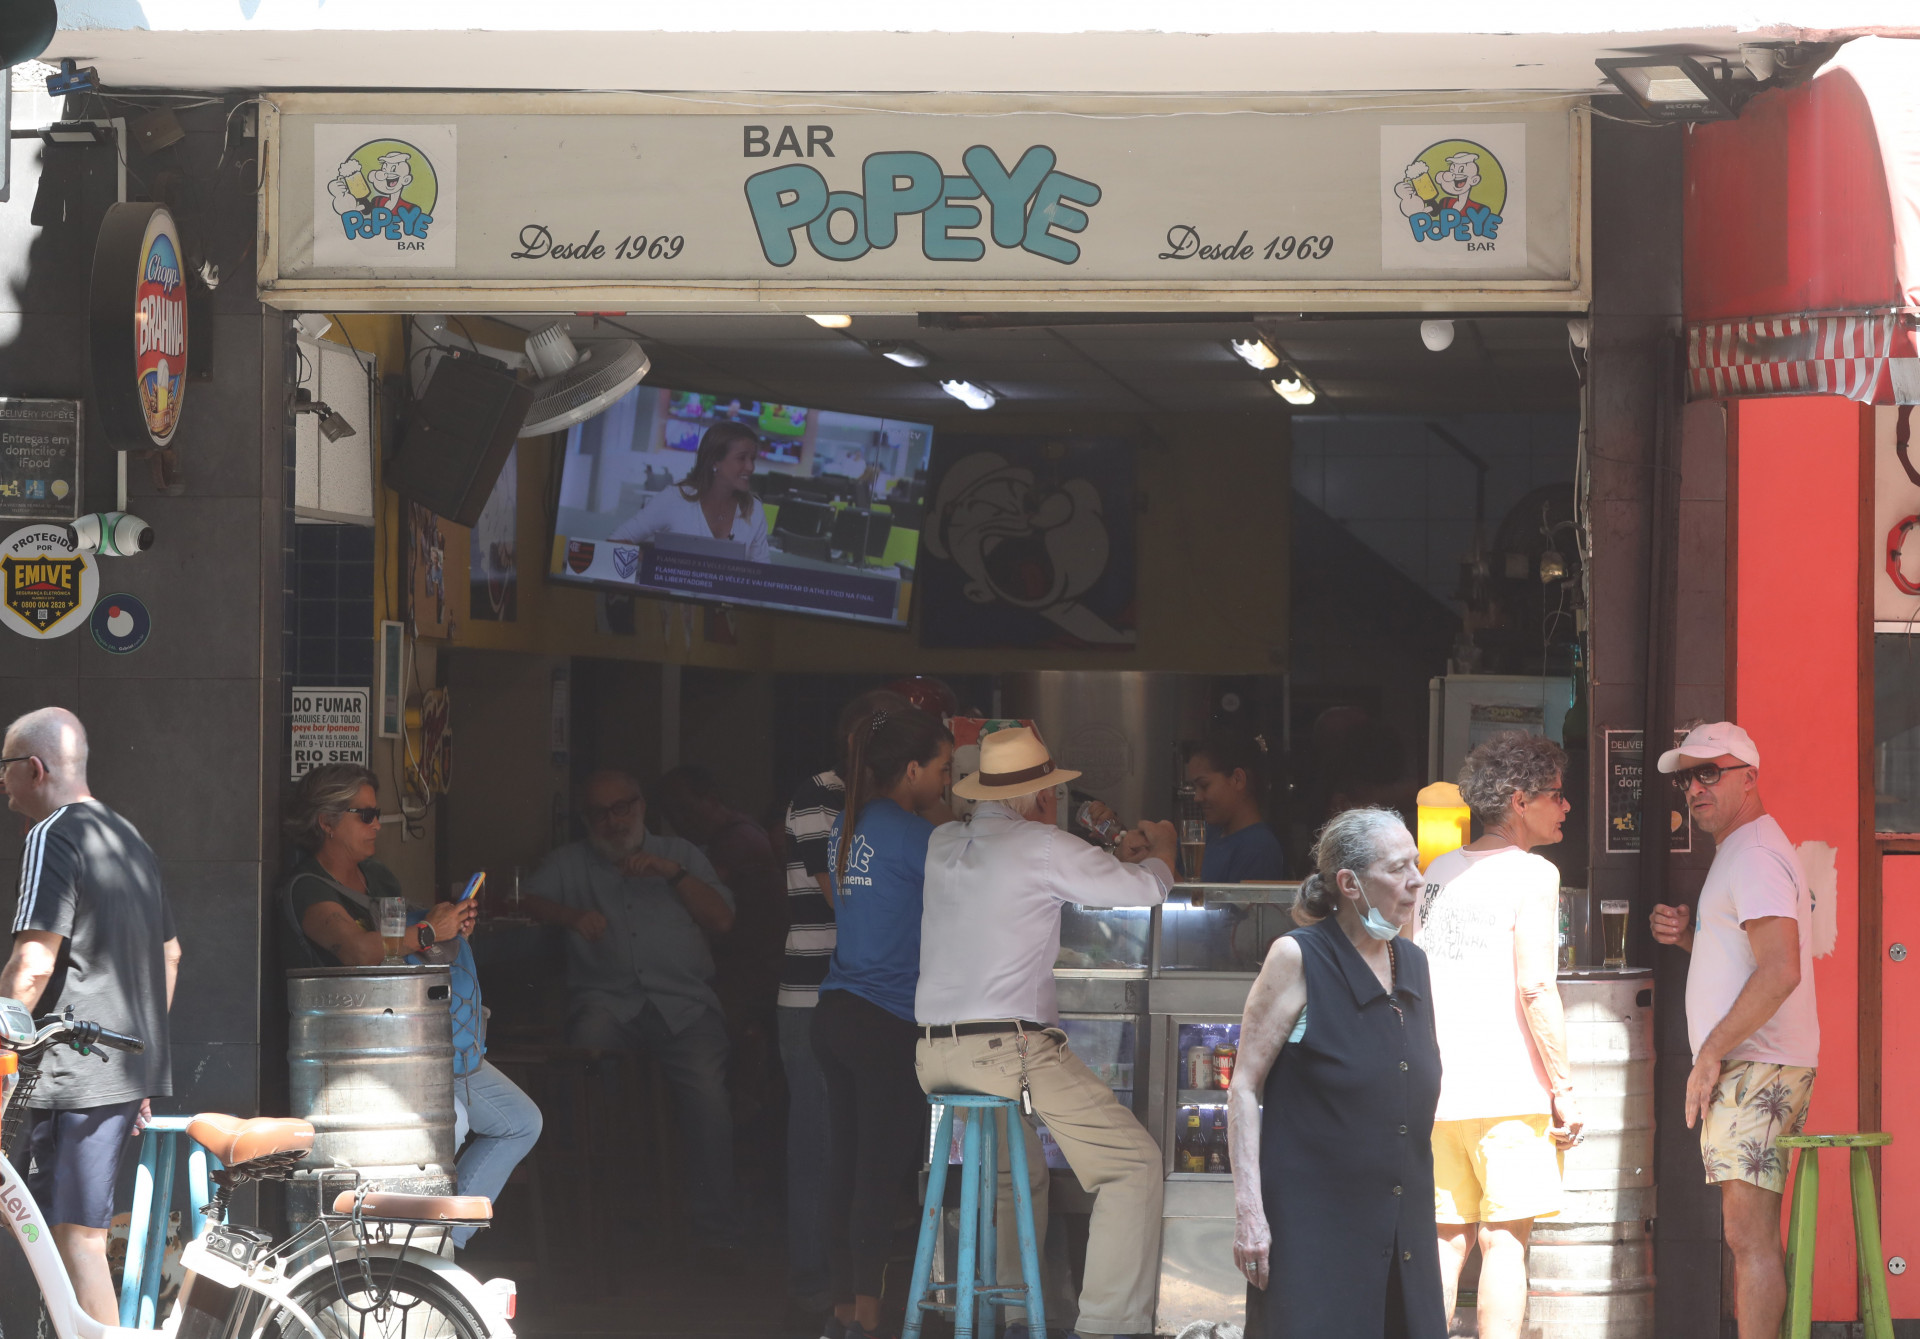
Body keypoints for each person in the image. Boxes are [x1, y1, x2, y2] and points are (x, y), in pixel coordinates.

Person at [916, 726, 1178, 1339]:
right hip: (1008, 1049)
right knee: (1132, 1167)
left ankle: (1010, 1318)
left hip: (933, 1054)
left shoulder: (940, 843)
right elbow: (1143, 891)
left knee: (1017, 1172)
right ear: (1039, 797)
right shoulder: (1040, 845)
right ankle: (1109, 1328)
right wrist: (1163, 849)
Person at [279, 764, 541, 1251]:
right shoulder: (308, 887)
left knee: (520, 1121)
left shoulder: (377, 876)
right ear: (327, 821)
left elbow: (407, 943)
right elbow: (356, 950)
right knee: (450, 1127)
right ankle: (419, 1255)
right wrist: (428, 933)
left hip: (420, 1036)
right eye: (367, 814)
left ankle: (440, 1246)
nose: (378, 825)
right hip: (360, 1052)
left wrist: (448, 928)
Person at [1229, 807, 1445, 1339]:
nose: (1416, 880)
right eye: (1397, 869)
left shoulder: (1412, 962)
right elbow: (1244, 1086)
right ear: (1349, 883)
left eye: (1416, 863)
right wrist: (1249, 1213)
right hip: (1313, 1223)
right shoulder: (1298, 956)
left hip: (1402, 1221)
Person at [0, 708, 181, 1325]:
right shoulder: (131, 839)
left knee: (77, 1240)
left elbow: (31, 966)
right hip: (115, 1073)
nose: (2, 783)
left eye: (5, 768)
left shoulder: (52, 834)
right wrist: (142, 1072)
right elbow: (171, 956)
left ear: (34, 768)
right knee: (54, 1228)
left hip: (73, 1072)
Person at [518, 768, 742, 1251]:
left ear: (642, 807)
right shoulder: (570, 862)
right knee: (581, 1083)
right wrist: (570, 916)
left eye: (624, 807)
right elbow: (523, 899)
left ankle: (715, 1235)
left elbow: (723, 920)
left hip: (685, 1006)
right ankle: (596, 1224)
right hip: (607, 1003)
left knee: (708, 1097)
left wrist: (673, 874)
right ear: (585, 819)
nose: (614, 820)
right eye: (601, 812)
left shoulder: (681, 854)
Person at [1649, 722, 1818, 1339]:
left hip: (1759, 1061)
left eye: (1709, 772)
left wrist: (1710, 1052)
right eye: (1687, 777)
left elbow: (1781, 970)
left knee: (1748, 1236)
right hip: (1755, 1060)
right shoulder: (1743, 850)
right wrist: (1693, 937)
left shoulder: (1754, 854)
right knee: (1746, 1233)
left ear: (1749, 775)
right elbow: (1750, 963)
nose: (1694, 787)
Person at [1413, 733, 1583, 1339]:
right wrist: (1563, 1085)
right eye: (1557, 797)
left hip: (1437, 1087)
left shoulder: (1437, 872)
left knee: (1443, 1238)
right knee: (1505, 1240)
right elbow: (1535, 986)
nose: (1566, 808)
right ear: (1519, 799)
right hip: (1510, 1089)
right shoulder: (1533, 873)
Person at [812, 705, 955, 1339]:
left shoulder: (851, 825)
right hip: (886, 1023)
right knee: (878, 1175)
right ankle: (869, 1322)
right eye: (945, 768)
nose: (948, 782)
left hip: (837, 1013)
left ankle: (845, 1312)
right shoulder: (918, 837)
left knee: (846, 1168)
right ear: (914, 768)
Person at [776, 689, 913, 1326]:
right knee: (826, 1148)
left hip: (855, 994)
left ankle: (847, 1298)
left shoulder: (880, 813)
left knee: (856, 1151)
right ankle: (819, 1288)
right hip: (818, 992)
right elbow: (845, 901)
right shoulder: (821, 799)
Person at [610, 421, 772, 562]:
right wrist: (652, 564)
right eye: (742, 458)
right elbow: (614, 542)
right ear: (715, 461)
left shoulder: (754, 509)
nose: (751, 467)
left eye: (752, 459)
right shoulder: (674, 499)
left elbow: (763, 576)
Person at [1185, 729, 1287, 881]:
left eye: (1204, 785)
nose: (1197, 798)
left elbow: (1205, 903)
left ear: (1237, 779)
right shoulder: (1208, 834)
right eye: (1195, 789)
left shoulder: (1258, 848)